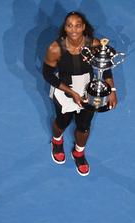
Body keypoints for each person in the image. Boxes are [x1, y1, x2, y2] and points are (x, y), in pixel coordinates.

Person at [42, 11, 117, 176]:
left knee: (84, 127)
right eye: (70, 25)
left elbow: (104, 67)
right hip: (64, 89)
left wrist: (111, 90)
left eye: (77, 25)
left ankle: (78, 152)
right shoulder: (55, 48)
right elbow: (47, 74)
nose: (74, 29)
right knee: (63, 122)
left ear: (83, 27)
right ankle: (57, 142)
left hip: (89, 90)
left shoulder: (94, 44)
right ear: (65, 28)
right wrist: (71, 92)